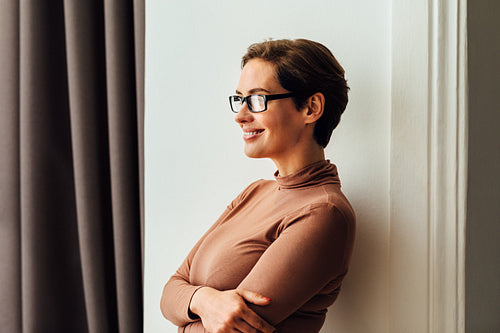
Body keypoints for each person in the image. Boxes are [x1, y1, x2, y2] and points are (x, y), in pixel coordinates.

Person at [160, 38, 356, 333]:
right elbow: (169, 292)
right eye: (240, 99)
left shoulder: (323, 213)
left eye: (257, 99)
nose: (240, 116)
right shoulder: (255, 192)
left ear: (311, 108)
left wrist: (187, 309)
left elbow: (232, 330)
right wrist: (205, 300)